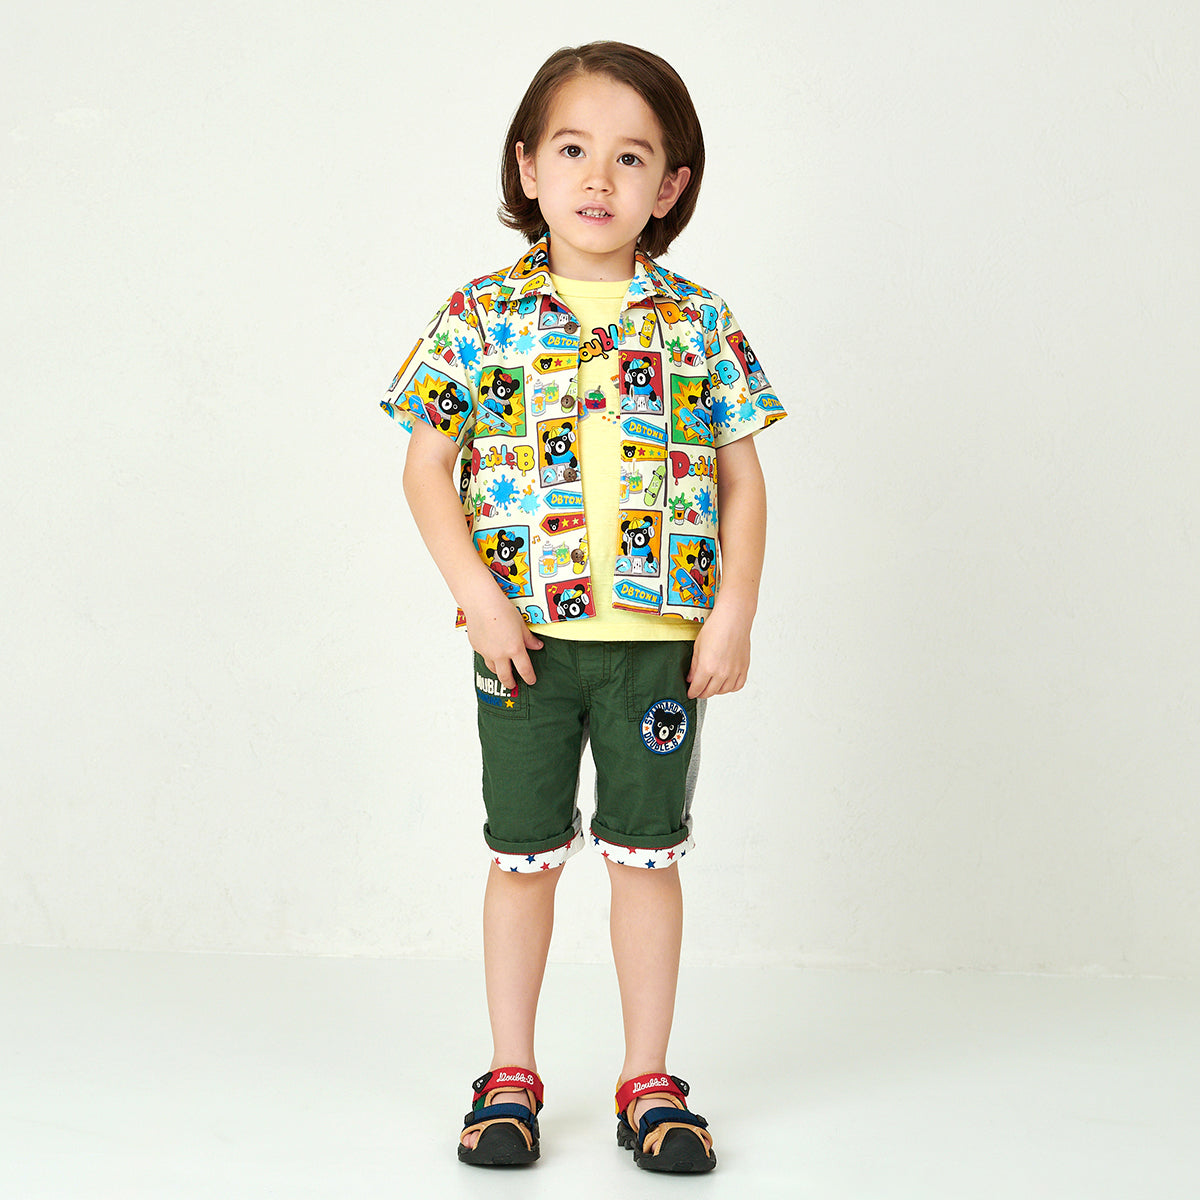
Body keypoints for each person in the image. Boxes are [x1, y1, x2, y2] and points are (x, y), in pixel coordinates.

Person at [382, 40, 786, 1174]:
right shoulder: (480, 315)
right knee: (523, 854)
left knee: (647, 856)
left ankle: (648, 1080)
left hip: (658, 649)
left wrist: (734, 610)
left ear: (671, 185)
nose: (597, 178)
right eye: (571, 150)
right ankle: (509, 1074)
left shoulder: (697, 320)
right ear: (527, 167)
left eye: (630, 157)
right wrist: (480, 601)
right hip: (525, 645)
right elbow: (426, 466)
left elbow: (744, 477)